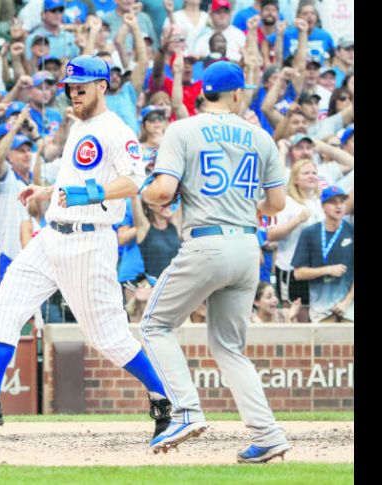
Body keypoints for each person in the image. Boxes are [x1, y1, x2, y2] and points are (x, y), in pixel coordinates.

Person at [0, 56, 174, 444]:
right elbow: (79, 178)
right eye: (70, 86)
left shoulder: (116, 129)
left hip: (89, 240)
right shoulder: (80, 125)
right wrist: (49, 192)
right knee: (7, 302)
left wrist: (85, 193)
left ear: (102, 85)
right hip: (52, 235)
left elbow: (135, 181)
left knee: (108, 338)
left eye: (82, 85)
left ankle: (164, 398)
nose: (74, 92)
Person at [140, 61, 290, 463]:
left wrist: (146, 188)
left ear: (202, 93)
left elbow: (163, 192)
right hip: (246, 247)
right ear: (238, 94)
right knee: (229, 348)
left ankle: (186, 411)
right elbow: (276, 204)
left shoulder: (183, 129)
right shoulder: (260, 136)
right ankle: (267, 433)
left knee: (154, 326)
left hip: (206, 242)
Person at [291, 185, 354, 323]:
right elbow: (298, 273)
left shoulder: (352, 231)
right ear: (323, 206)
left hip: (350, 309)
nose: (338, 206)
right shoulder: (309, 233)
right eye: (333, 202)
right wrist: (327, 270)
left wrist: (347, 302)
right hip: (321, 310)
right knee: (323, 343)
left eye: (342, 202)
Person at [267, 156, 323, 308]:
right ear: (295, 180)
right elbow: (271, 235)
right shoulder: (287, 203)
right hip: (290, 269)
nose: (311, 176)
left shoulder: (318, 203)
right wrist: (297, 220)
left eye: (314, 172)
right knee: (293, 315)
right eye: (306, 173)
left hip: (314, 269)